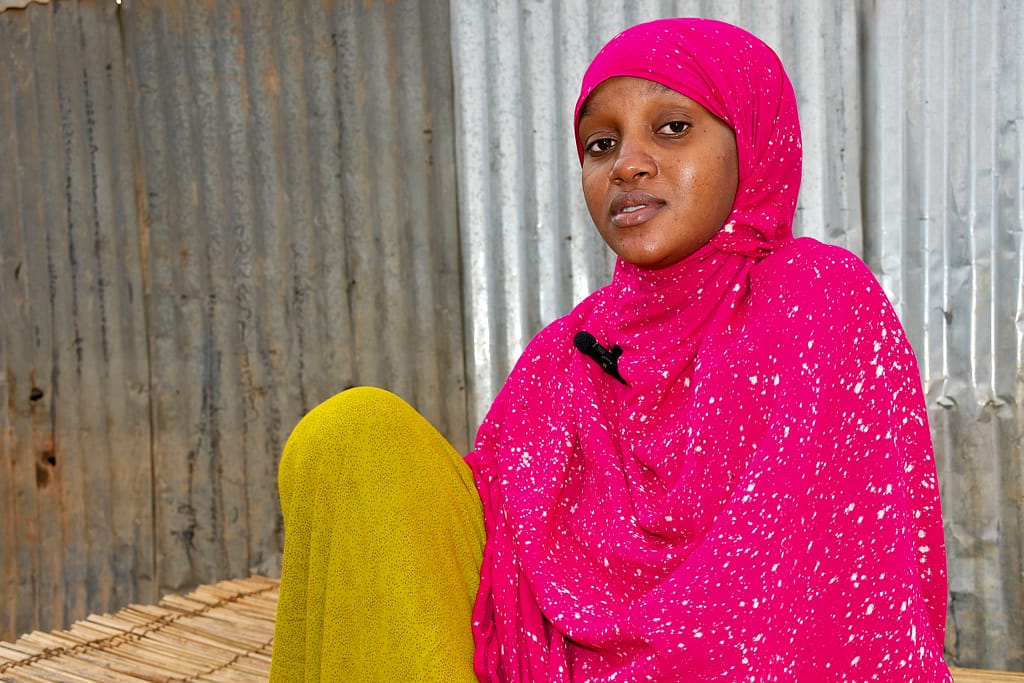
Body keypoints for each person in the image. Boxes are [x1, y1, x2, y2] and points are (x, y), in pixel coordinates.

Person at [270, 17, 952, 682]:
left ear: (752, 143)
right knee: (351, 432)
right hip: (550, 663)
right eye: (600, 144)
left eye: (673, 128)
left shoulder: (811, 298)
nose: (627, 163)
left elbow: (801, 584)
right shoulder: (565, 354)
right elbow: (493, 557)